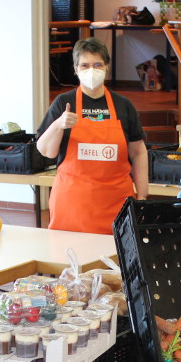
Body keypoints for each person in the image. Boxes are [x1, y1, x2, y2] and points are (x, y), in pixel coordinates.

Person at [35, 37, 149, 234]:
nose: (91, 70)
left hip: (116, 204)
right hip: (72, 205)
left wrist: (142, 198)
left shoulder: (123, 105)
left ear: (106, 67)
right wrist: (57, 125)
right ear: (76, 69)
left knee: (115, 261)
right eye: (85, 65)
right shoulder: (64, 103)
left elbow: (138, 152)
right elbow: (46, 151)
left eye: (97, 65)